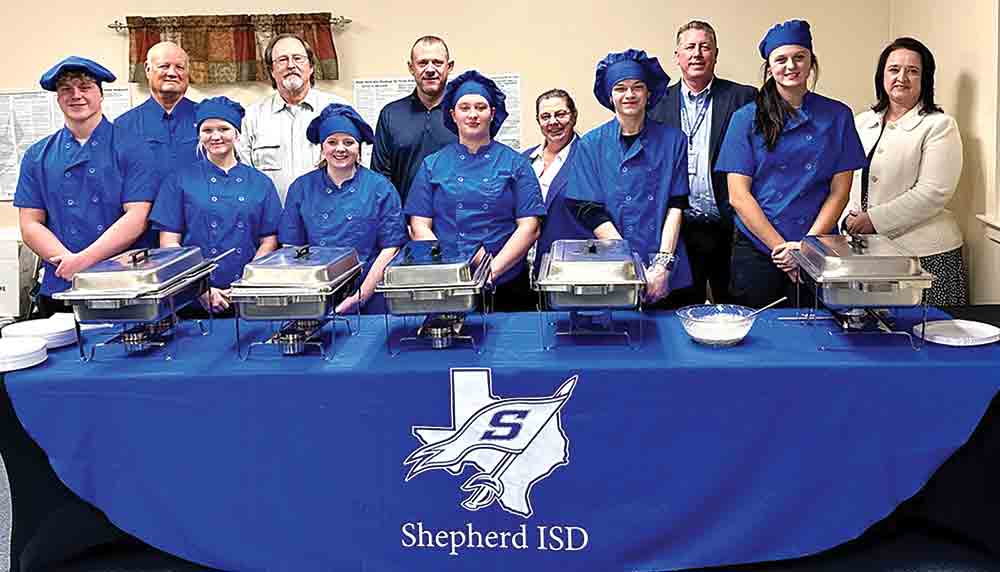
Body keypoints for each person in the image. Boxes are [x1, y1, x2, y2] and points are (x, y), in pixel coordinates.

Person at [715, 20, 866, 308]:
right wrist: (781, 249)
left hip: (819, 246)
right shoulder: (745, 118)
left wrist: (808, 248)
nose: (791, 65)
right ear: (769, 68)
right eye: (781, 59)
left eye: (799, 57)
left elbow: (840, 191)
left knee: (819, 335)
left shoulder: (838, 115)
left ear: (811, 63)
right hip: (759, 249)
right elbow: (738, 195)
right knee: (759, 338)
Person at [14, 57, 157, 317]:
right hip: (62, 283)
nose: (76, 95)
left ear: (101, 95)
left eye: (85, 87)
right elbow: (30, 224)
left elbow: (137, 217)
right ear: (58, 98)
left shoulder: (133, 148)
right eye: (66, 89)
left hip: (122, 284)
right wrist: (69, 263)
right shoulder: (37, 155)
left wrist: (84, 261)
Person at [405, 71, 544, 312]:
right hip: (449, 283)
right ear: (452, 114)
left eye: (480, 107)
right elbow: (419, 226)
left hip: (507, 284)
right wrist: (451, 270)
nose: (472, 114)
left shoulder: (516, 163)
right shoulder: (432, 165)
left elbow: (529, 227)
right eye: (464, 107)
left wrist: (491, 271)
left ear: (492, 113)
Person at [565, 49, 693, 309]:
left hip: (665, 266)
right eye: (620, 88)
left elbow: (676, 204)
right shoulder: (591, 144)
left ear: (649, 94)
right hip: (612, 263)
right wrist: (630, 264)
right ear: (610, 96)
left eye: (638, 87)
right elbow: (589, 210)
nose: (630, 95)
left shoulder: (674, 140)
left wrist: (662, 265)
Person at [845, 37, 967, 306]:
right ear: (882, 76)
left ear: (925, 79)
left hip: (926, 255)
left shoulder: (939, 125)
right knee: (879, 337)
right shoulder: (861, 122)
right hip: (868, 252)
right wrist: (848, 221)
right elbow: (845, 180)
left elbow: (933, 192)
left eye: (913, 71)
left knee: (928, 337)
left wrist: (872, 220)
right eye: (894, 69)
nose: (902, 77)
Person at [648, 20, 757, 305]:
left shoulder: (744, 98)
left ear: (715, 54)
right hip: (679, 230)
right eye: (689, 47)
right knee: (682, 310)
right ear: (677, 56)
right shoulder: (656, 104)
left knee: (735, 308)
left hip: (730, 228)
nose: (697, 54)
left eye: (704, 47)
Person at [149, 97, 282, 315]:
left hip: (248, 294)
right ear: (199, 135)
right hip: (192, 297)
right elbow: (169, 243)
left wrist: (247, 282)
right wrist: (199, 288)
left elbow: (269, 240)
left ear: (237, 134)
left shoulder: (260, 183)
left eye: (224, 129)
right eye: (207, 130)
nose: (216, 136)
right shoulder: (179, 180)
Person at [279, 103, 407, 315]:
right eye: (332, 142)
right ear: (322, 147)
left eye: (349, 142)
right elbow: (291, 248)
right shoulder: (301, 188)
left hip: (372, 293)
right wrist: (309, 293)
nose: (340, 149)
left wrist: (361, 296)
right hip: (314, 294)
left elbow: (391, 248)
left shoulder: (380, 188)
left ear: (359, 147)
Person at [239, 32, 349, 204]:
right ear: (271, 71)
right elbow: (244, 178)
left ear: (311, 67)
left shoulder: (339, 110)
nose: (291, 65)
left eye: (298, 58)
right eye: (282, 60)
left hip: (330, 221)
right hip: (273, 224)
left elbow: (357, 167)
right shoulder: (252, 117)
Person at [371, 36, 457, 203]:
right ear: (411, 68)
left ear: (449, 66)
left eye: (437, 63)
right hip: (404, 222)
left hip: (455, 223)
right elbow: (380, 178)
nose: (430, 69)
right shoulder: (390, 114)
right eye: (423, 63)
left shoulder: (464, 114)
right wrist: (396, 222)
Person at [521, 89, 590, 274]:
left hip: (568, 269)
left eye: (560, 114)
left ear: (573, 116)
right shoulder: (524, 160)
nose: (553, 122)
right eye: (545, 116)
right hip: (522, 270)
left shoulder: (589, 157)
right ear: (538, 121)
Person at [114, 41, 198, 174]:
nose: (172, 73)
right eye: (164, 66)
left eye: (180, 67)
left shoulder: (207, 118)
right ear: (148, 69)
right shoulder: (124, 126)